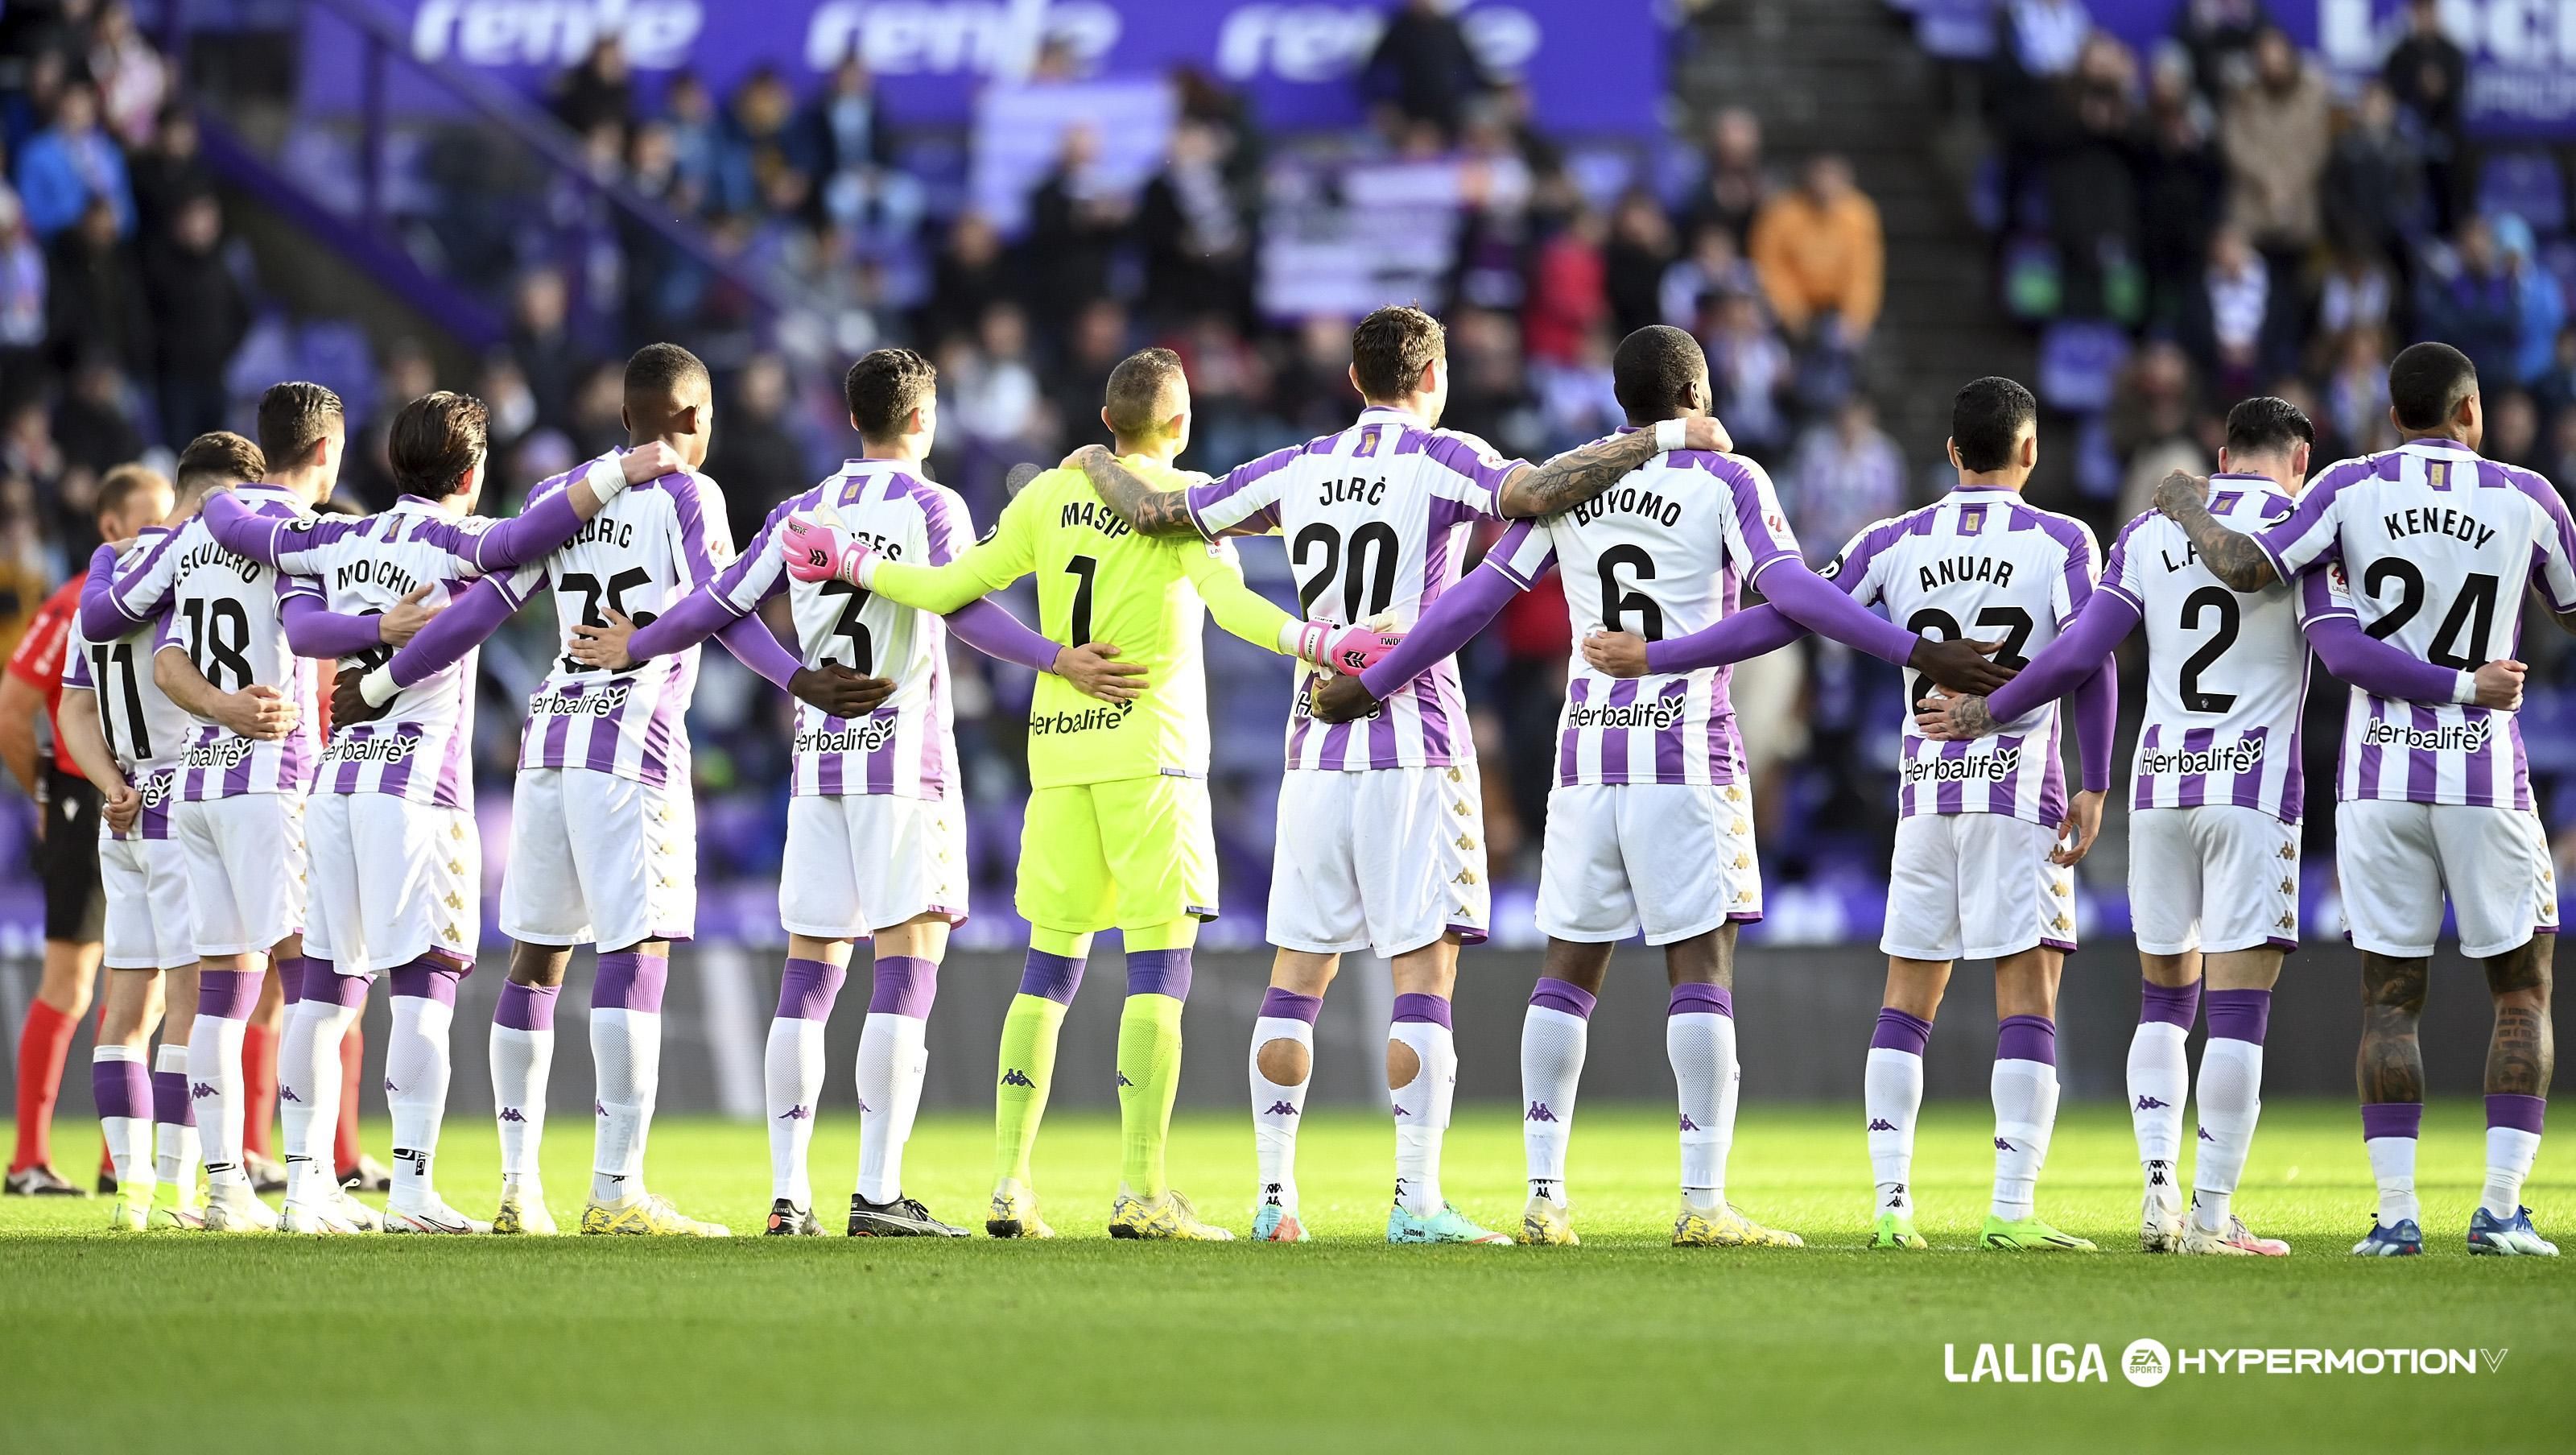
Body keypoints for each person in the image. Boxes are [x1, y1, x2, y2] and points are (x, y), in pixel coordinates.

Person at [1312, 326, 2009, 1247]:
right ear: (1696, 390)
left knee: (1565, 971)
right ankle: (1701, 1202)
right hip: (1686, 758)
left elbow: (1476, 600)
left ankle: (1543, 1195)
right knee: (1701, 970)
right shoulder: (1727, 480)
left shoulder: (1576, 481)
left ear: (1621, 404)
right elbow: (1790, 594)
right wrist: (1918, 649)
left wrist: (1371, 679)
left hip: (1584, 759)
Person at [1066, 305, 1733, 1243]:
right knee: (1423, 972)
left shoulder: (1299, 466)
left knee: (1296, 975)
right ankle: (1415, 1201)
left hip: (1313, 749)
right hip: (1412, 743)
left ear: (1352, 379)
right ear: (1433, 377)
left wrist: (1091, 458)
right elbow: (1537, 493)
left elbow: (1159, 510)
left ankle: (1272, 1202)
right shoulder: (1443, 454)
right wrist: (1665, 435)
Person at [784, 347, 1373, 1241]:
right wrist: (1317, 643)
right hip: (1153, 760)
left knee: (1046, 969)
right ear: (1178, 424)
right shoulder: (1183, 506)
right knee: (1157, 970)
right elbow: (1231, 607)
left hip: (1058, 757)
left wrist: (853, 565)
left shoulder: (1046, 496)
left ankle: (1010, 1185)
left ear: (1105, 424)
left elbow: (948, 590)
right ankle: (1141, 1190)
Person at [1922, 396, 2520, 1255]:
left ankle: (2155, 1197)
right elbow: (2347, 650)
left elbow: (2077, 653)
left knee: (2163, 1002)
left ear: (2221, 449)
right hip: (2251, 789)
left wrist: (1991, 709)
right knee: (2237, 1011)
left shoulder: (2146, 530)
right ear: (2300, 455)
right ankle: (2209, 1217)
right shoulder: (2309, 525)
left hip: (2157, 788)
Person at [569, 349, 1123, 1238]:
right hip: (905, 766)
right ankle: (876, 1192)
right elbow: (961, 608)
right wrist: (1058, 658)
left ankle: (790, 1198)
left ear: (851, 417)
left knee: (810, 971)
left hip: (820, 761)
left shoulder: (801, 509)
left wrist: (636, 647)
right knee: (906, 963)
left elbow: (716, 604)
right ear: (920, 420)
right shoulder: (933, 506)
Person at [1600, 378, 2117, 1251]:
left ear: (1950, 453)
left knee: (1904, 1002)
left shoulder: (1892, 539)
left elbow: (1781, 618)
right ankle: (2011, 1210)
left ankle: (1889, 1210)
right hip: (2017, 795)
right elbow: (2089, 657)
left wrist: (1660, 652)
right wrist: (2095, 779)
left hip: (1922, 801)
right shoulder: (2062, 539)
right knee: (2025, 997)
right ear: (2028, 452)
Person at [341, 345, 828, 1238]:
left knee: (535, 958)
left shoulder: (560, 496)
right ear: (688, 418)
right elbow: (722, 604)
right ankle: (615, 1191)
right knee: (634, 952)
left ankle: (517, 1188)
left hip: (547, 745)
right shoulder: (690, 493)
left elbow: (482, 608)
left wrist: (377, 683)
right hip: (630, 750)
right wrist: (796, 679)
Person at [197, 392, 660, 1233]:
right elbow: (526, 539)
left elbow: (270, 578)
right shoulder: (456, 542)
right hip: (416, 792)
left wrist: (355, 624)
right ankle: (410, 1189)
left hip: (334, 786)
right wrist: (619, 468)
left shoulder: (341, 534)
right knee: (423, 991)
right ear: (473, 474)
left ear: (385, 459)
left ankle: (304, 1189)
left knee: (322, 994)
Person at [2151, 342, 2570, 1258]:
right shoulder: (2525, 495)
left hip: (2375, 776)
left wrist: (2183, 499)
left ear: (2392, 415)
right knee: (2521, 987)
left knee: (2388, 999)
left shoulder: (2347, 486)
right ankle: (2500, 1209)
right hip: (2482, 774)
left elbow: (2245, 565)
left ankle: (2393, 1216)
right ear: (2471, 413)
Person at [80, 390, 345, 1233]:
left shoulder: (185, 539)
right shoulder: (297, 534)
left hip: (189, 787)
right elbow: (313, 635)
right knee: (310, 974)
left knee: (211, 996)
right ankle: (309, 1184)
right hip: (269, 783)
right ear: (325, 451)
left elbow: (131, 638)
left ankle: (220, 1188)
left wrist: (216, 712)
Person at [1, 467, 165, 1196]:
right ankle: (29, 1158)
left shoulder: (172, 590)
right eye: (151, 520)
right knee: (70, 982)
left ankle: (115, 1160)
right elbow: (12, 706)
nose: (166, 532)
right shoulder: (73, 600)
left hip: (146, 789)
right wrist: (45, 794)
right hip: (81, 793)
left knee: (148, 983)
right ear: (110, 528)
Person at [56, 463, 191, 1227]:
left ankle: (132, 1196)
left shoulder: (98, 586)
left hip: (124, 808)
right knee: (190, 1005)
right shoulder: (184, 574)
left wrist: (110, 783)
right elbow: (177, 675)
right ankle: (176, 1192)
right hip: (180, 799)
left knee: (125, 1008)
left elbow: (74, 709)